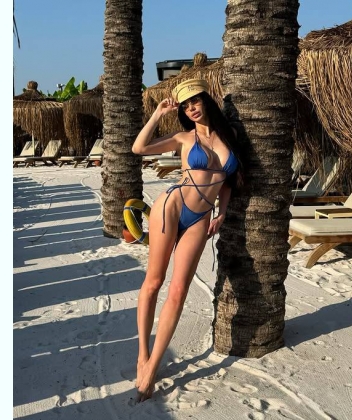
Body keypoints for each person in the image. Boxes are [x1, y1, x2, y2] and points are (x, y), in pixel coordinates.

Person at [131, 79, 243, 401]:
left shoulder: (230, 137)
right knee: (154, 282)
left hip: (201, 217)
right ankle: (142, 354)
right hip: (172, 206)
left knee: (179, 291)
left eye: (195, 101)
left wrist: (223, 213)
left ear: (206, 100)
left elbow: (227, 182)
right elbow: (139, 148)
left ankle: (152, 367)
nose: (191, 108)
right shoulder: (183, 137)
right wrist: (157, 114)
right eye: (185, 105)